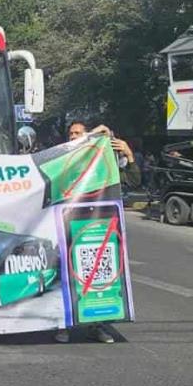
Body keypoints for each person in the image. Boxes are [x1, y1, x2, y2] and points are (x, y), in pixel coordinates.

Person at [56, 121, 137, 345]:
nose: (74, 137)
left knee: (95, 278)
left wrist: (129, 155)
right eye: (71, 133)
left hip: (97, 228)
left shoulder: (101, 160)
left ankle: (97, 326)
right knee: (66, 278)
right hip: (66, 227)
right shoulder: (62, 159)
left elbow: (133, 181)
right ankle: (64, 325)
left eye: (78, 133)